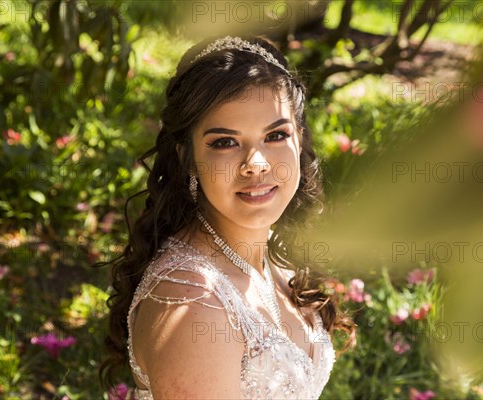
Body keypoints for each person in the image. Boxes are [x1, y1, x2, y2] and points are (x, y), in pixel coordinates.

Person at [98, 35, 355, 399]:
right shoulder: (193, 306)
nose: (257, 164)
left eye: (276, 135)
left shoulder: (271, 257)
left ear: (300, 138)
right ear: (187, 158)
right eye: (225, 142)